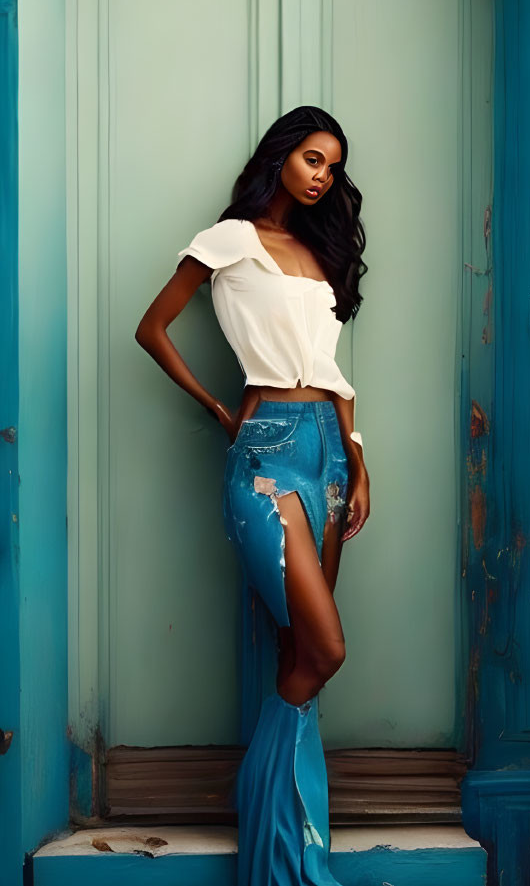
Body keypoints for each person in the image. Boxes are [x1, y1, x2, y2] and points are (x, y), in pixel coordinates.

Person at [135, 106, 370, 885]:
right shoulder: (230, 238)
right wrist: (216, 407)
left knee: (300, 651)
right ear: (280, 155)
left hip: (329, 451)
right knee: (326, 649)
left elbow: (331, 368)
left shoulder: (317, 249)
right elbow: (153, 327)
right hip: (267, 450)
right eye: (311, 157)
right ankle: (276, 841)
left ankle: (289, 856)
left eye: (331, 166)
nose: (321, 175)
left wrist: (359, 459)